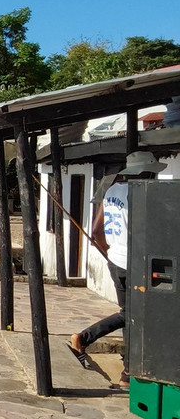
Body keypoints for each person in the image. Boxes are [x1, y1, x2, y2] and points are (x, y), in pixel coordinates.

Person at [69, 150, 165, 385]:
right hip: (136, 263)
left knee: (129, 313)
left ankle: (126, 369)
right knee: (133, 314)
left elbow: (96, 231)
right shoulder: (141, 193)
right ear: (145, 173)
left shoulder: (112, 190)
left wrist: (110, 253)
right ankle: (117, 362)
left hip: (116, 259)